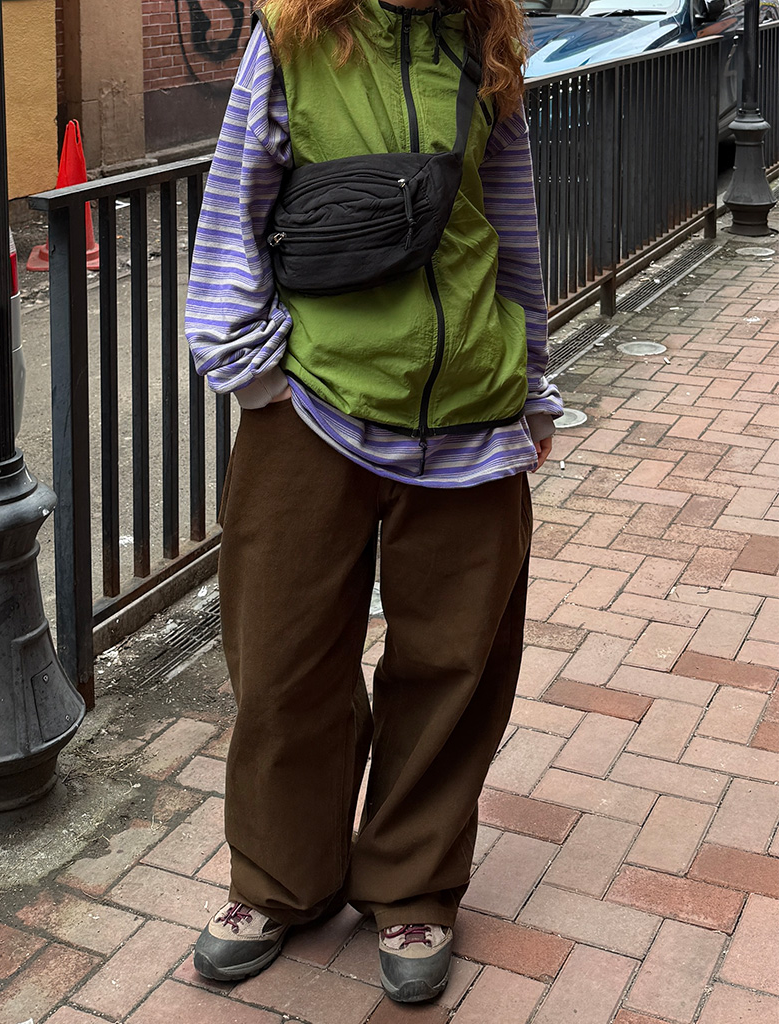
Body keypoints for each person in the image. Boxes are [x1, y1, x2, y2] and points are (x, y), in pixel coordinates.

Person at [184, 0, 562, 1005]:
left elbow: (512, 222)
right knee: (283, 662)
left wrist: (532, 384)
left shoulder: (483, 45)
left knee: (454, 670)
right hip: (313, 408)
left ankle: (413, 885)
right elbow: (233, 208)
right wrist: (253, 373)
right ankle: (280, 880)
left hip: (473, 413)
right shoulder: (290, 37)